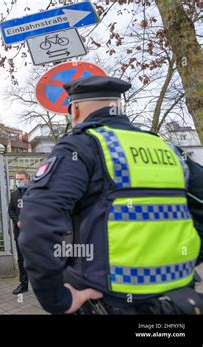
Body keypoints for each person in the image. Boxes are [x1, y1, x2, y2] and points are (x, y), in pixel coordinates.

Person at [19, 75, 203, 315]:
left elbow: (37, 225)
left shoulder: (83, 146)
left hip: (107, 301)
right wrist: (184, 257)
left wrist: (57, 299)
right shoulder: (170, 150)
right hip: (181, 299)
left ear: (74, 109)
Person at [8, 170, 30, 295]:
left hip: (33, 232)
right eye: (17, 179)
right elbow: (10, 210)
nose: (19, 181)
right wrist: (17, 221)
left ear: (28, 179)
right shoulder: (14, 194)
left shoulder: (35, 193)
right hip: (19, 231)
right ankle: (23, 283)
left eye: (21, 179)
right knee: (21, 259)